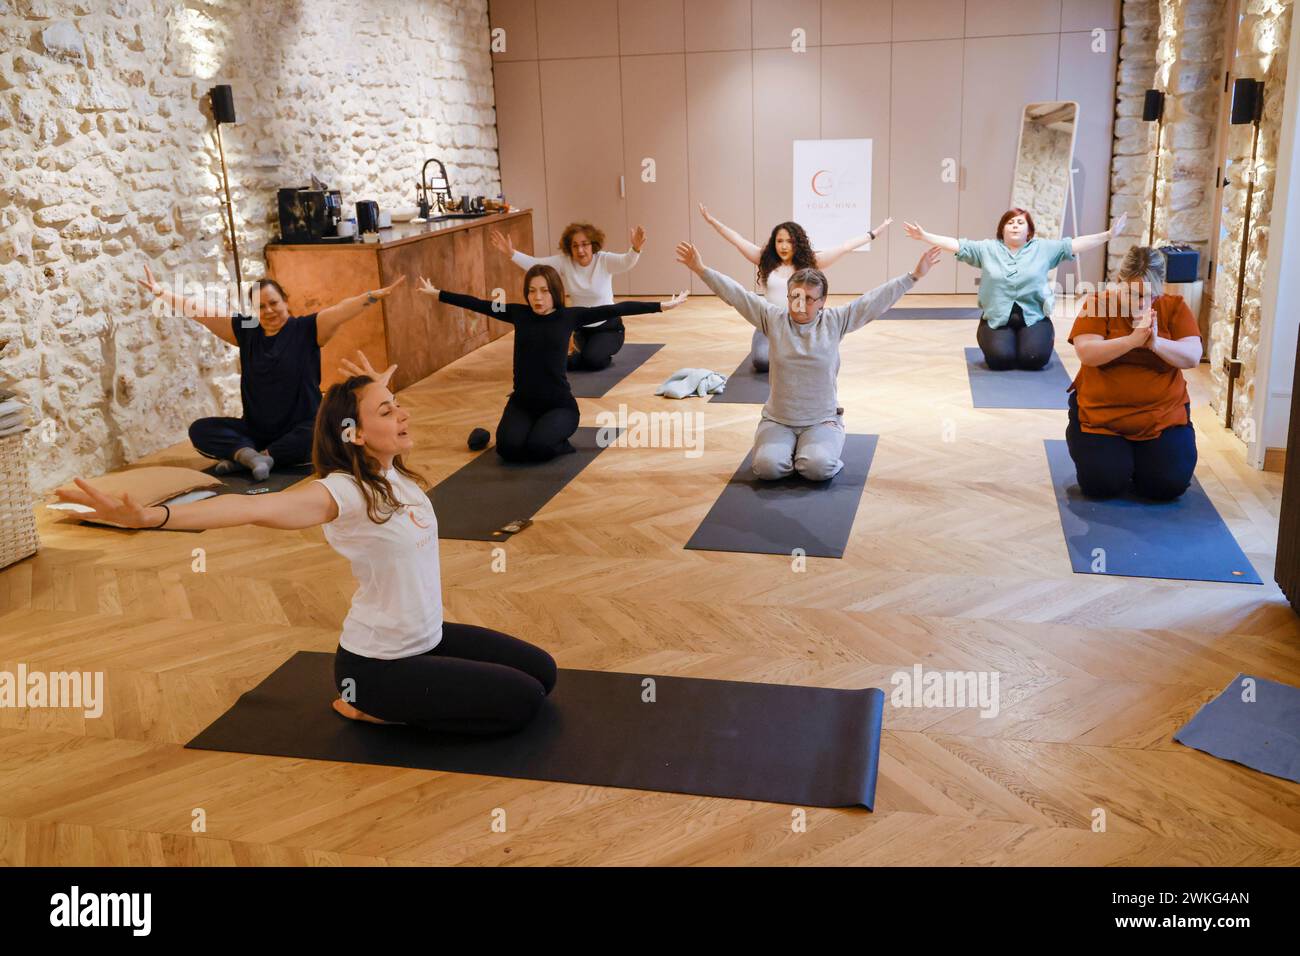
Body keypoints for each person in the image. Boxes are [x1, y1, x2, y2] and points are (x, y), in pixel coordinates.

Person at [54, 351, 558, 734]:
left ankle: (408, 694)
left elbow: (366, 418)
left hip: (429, 637)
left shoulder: (391, 472)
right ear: (355, 434)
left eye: (397, 405)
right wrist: (151, 516)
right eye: (388, 411)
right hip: (379, 664)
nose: (402, 415)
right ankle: (366, 704)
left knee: (544, 672)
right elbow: (251, 508)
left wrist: (374, 391)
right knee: (524, 701)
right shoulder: (343, 492)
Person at [676, 240, 942, 481]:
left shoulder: (836, 321)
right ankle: (788, 451)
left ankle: (813, 447)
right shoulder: (773, 319)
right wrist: (701, 269)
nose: (799, 304)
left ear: (823, 301)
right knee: (766, 468)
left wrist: (914, 276)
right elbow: (736, 295)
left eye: (808, 299)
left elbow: (873, 301)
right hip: (778, 419)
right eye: (794, 297)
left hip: (821, 419)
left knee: (818, 468)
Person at [136, 265, 405, 481]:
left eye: (273, 303)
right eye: (261, 307)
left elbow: (339, 311)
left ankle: (256, 457)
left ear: (286, 301)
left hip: (300, 429)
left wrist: (370, 298)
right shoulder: (247, 331)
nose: (269, 311)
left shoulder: (307, 329)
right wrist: (162, 293)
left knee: (323, 429)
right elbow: (202, 312)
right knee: (201, 429)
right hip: (256, 430)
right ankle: (252, 456)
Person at [418, 267, 687, 462]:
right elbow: (478, 304)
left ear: (555, 293)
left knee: (539, 448)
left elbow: (616, 309)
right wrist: (437, 293)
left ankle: (560, 441)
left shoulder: (569, 317)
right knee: (508, 450)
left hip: (559, 405)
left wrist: (662, 305)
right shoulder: (518, 313)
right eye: (532, 291)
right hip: (522, 403)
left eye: (544, 291)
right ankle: (532, 431)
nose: (537, 297)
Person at [903, 209, 1125, 371]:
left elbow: (1075, 244)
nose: (1015, 225)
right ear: (1002, 230)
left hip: (1034, 317)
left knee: (1033, 359)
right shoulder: (988, 249)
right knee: (1001, 360)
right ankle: (997, 337)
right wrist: (925, 236)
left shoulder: (1043, 249)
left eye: (1020, 222)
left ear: (1029, 230)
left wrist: (1107, 235)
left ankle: (1033, 338)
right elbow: (957, 245)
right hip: (997, 318)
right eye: (1010, 222)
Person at [1066, 246, 1202, 500]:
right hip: (1102, 418)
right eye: (1132, 293)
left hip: (1161, 416)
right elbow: (1087, 352)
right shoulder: (1098, 303)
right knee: (1103, 486)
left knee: (1166, 487)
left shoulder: (1175, 307)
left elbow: (1193, 355)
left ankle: (1144, 462)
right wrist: (1131, 341)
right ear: (1119, 283)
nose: (1141, 303)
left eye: (1149, 295)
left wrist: (1156, 343)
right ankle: (1119, 460)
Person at [698, 205, 893, 372]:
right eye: (779, 241)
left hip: (803, 324)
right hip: (771, 323)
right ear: (774, 243)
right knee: (760, 360)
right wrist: (712, 222)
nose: (784, 246)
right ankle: (791, 355)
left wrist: (874, 233)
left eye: (789, 241)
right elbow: (736, 239)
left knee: (826, 359)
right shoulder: (763, 260)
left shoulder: (810, 262)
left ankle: (792, 354)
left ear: (797, 243)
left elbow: (845, 246)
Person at [489, 221, 647, 371]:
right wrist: (511, 253)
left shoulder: (604, 260)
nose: (580, 250)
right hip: (580, 328)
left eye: (585, 245)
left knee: (592, 360)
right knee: (564, 359)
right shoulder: (565, 262)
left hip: (608, 327)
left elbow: (626, 262)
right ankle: (581, 353)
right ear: (569, 248)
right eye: (575, 246)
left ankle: (594, 354)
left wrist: (635, 248)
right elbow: (536, 264)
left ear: (593, 245)